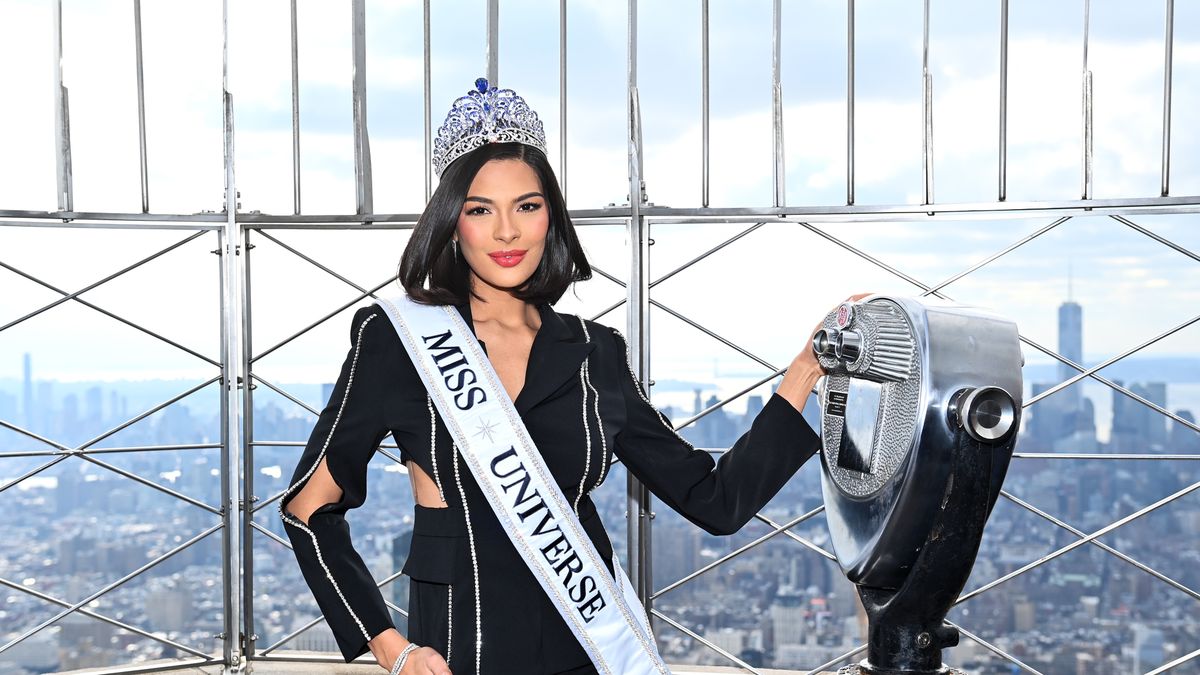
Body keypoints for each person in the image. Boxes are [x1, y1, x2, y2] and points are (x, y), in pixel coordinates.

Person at [280, 78, 842, 675]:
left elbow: (716, 501)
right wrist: (393, 648)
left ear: (550, 217)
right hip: (458, 650)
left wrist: (803, 373)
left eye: (526, 206)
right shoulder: (398, 341)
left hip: (587, 644)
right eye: (479, 210)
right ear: (452, 223)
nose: (506, 231)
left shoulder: (595, 353)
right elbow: (310, 508)